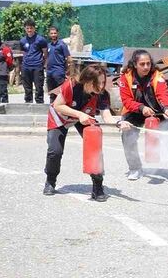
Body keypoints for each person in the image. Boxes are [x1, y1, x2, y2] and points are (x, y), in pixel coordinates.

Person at [44, 65, 121, 201]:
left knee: (95, 147)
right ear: (87, 80)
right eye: (98, 82)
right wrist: (79, 114)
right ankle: (50, 180)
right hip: (61, 116)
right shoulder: (72, 85)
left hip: (84, 117)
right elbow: (58, 105)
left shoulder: (101, 93)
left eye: (103, 82)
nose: (101, 86)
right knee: (55, 151)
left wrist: (119, 123)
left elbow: (107, 116)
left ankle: (97, 186)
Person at [118, 49, 168, 181]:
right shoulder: (125, 78)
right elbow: (126, 100)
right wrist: (141, 107)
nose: (146, 67)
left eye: (148, 63)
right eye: (142, 64)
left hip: (157, 112)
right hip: (134, 112)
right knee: (128, 137)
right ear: (134, 64)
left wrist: (166, 109)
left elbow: (163, 94)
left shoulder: (157, 76)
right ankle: (135, 169)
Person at [19, 19, 48, 104]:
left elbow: (45, 53)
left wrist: (44, 64)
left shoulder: (41, 40)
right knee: (27, 87)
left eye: (31, 28)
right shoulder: (22, 40)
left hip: (37, 66)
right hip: (26, 66)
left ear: (34, 28)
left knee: (39, 86)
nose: (29, 30)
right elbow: (23, 53)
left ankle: (39, 103)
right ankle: (28, 103)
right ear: (25, 28)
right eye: (27, 28)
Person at [45, 26, 71, 102]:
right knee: (51, 92)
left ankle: (60, 109)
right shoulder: (48, 45)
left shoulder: (62, 45)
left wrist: (69, 70)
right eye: (51, 33)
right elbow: (46, 58)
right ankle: (52, 108)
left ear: (57, 34)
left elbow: (69, 57)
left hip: (59, 71)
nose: (53, 35)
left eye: (55, 33)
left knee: (60, 92)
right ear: (49, 34)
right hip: (50, 72)